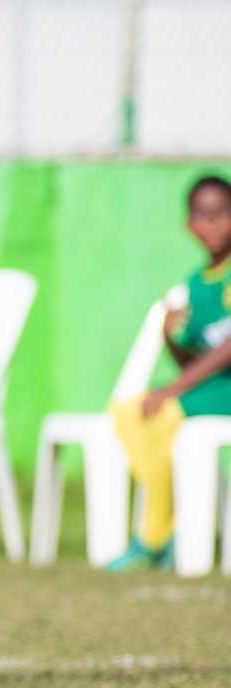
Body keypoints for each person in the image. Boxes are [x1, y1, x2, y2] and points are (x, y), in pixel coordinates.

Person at [107, 175, 231, 571]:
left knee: (166, 410)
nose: (211, 224)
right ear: (188, 224)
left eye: (221, 214)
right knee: (127, 410)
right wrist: (171, 335)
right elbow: (192, 361)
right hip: (213, 387)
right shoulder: (196, 283)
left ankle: (154, 535)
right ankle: (175, 525)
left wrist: (171, 390)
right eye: (202, 216)